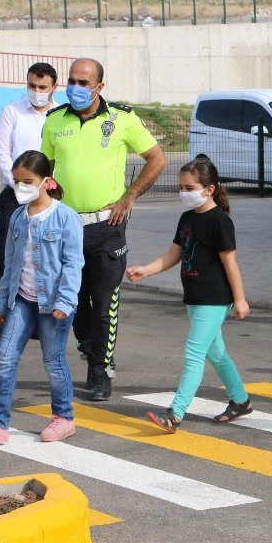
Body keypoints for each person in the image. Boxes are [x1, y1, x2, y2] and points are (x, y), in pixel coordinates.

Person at [41, 58, 167, 402]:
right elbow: (45, 170)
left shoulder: (122, 119)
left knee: (104, 302)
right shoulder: (54, 121)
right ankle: (90, 346)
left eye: (84, 82)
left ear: (100, 86)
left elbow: (157, 158)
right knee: (71, 300)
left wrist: (130, 196)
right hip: (65, 228)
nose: (76, 88)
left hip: (106, 228)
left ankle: (100, 371)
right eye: (71, 81)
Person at [0, 151, 84, 444]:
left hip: (54, 303)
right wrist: (1, 303)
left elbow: (73, 263)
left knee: (53, 361)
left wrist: (65, 302)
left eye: (27, 181)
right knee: (4, 357)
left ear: (47, 182)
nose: (21, 187)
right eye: (17, 182)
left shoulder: (65, 216)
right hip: (21, 299)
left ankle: (63, 418)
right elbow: (10, 264)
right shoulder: (18, 216)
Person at [126, 157, 252, 433]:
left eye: (190, 187)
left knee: (194, 354)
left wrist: (240, 299)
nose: (184, 193)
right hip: (194, 296)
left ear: (209, 189)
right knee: (216, 353)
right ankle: (240, 400)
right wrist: (145, 270)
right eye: (182, 188)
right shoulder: (187, 218)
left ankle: (175, 413)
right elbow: (174, 255)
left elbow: (231, 263)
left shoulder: (220, 221)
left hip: (215, 298)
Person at [0, 62, 59, 346]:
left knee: (44, 257)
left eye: (42, 87)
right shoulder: (12, 112)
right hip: (14, 197)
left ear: (53, 88)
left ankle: (39, 322)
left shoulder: (60, 116)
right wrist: (20, 185)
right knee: (9, 257)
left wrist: (47, 187)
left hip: (48, 196)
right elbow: (1, 150)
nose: (36, 92)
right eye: (31, 86)